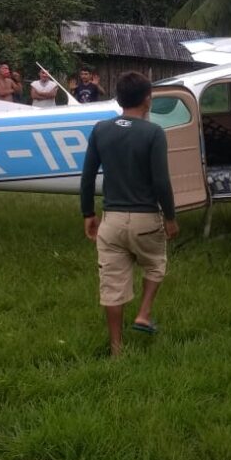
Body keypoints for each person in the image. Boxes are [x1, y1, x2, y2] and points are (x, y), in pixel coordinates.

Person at [80, 71, 178, 357]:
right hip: (146, 220)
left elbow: (87, 178)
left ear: (119, 99)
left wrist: (88, 213)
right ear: (147, 100)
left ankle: (116, 348)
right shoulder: (153, 133)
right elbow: (161, 181)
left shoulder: (100, 129)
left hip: (111, 222)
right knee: (155, 264)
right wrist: (170, 218)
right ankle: (144, 313)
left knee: (112, 285)